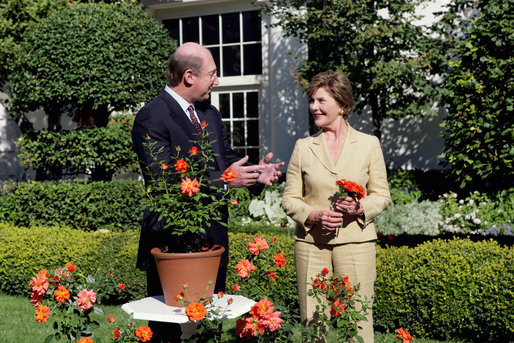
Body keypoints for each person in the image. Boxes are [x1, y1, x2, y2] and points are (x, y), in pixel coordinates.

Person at [132, 42, 284, 342]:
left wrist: (254, 174)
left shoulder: (209, 113)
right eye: (213, 74)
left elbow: (225, 162)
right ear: (189, 76)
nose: (218, 81)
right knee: (168, 334)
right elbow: (164, 179)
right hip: (172, 246)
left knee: (209, 329)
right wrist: (227, 181)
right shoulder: (151, 116)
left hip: (212, 242)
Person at [281, 70, 391, 342]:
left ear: (342, 105)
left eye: (321, 101)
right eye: (312, 101)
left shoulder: (368, 145)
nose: (314, 107)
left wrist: (360, 208)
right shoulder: (303, 147)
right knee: (313, 324)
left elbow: (382, 195)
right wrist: (312, 214)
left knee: (359, 322)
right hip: (311, 246)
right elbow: (289, 199)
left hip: (357, 244)